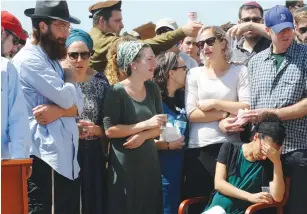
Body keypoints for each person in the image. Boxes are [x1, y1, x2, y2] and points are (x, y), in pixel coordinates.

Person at [12, 1, 84, 213]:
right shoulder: (29, 60)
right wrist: (71, 79)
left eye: (68, 27)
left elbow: (79, 104)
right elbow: (66, 97)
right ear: (42, 26)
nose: (66, 33)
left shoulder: (51, 58)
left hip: (64, 159)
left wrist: (60, 110)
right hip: (45, 157)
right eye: (61, 26)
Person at [246, 5, 307, 214]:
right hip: (263, 152)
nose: (286, 34)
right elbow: (252, 104)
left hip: (296, 150)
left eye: (289, 28)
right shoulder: (255, 62)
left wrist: (272, 114)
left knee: (297, 209)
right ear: (268, 29)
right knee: (265, 208)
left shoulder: (306, 56)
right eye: (280, 29)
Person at [183, 26, 250, 214]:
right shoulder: (194, 74)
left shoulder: (239, 71)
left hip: (231, 148)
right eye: (200, 43)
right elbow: (192, 113)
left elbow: (245, 107)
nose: (205, 47)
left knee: (226, 206)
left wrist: (215, 103)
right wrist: (225, 114)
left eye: (210, 41)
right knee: (198, 204)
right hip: (199, 149)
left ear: (223, 42)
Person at [103, 41, 166, 214]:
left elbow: (160, 126)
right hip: (125, 166)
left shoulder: (153, 88)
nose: (155, 64)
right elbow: (110, 130)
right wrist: (144, 126)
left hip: (149, 163)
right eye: (150, 59)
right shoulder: (116, 91)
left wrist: (143, 136)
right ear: (134, 64)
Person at [62, 28, 109, 214]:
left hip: (92, 153)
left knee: (92, 203)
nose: (79, 60)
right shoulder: (57, 79)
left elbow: (110, 125)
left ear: (91, 55)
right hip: (65, 151)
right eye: (73, 55)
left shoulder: (100, 82)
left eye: (84, 54)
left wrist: (95, 130)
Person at [204, 113, 286, 214]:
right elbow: (219, 184)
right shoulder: (229, 148)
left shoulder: (271, 162)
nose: (265, 156)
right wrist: (249, 196)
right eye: (263, 150)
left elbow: (278, 197)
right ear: (256, 137)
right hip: (217, 209)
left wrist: (277, 162)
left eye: (270, 152)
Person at [88, 0, 202, 71]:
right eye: (117, 21)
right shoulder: (101, 41)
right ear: (102, 21)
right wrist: (181, 31)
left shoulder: (98, 38)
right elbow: (143, 46)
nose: (122, 25)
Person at [153, 52, 187, 214]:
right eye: (184, 68)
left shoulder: (184, 98)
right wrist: (167, 145)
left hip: (185, 173)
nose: (187, 72)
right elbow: (144, 141)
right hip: (163, 175)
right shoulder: (155, 103)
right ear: (171, 73)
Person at [1, 11, 30, 159]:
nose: (14, 48)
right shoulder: (6, 68)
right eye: (14, 40)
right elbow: (17, 121)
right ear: (2, 32)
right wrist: (21, 160)